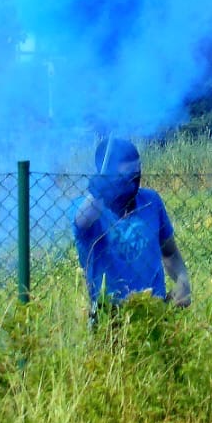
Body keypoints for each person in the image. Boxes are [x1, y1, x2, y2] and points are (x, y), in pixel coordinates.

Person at [74, 136, 191, 318]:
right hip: (109, 314)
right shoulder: (90, 209)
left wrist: (183, 281)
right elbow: (82, 221)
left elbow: (169, 252)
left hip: (155, 311)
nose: (134, 183)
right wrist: (98, 191)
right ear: (108, 177)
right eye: (127, 177)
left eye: (137, 174)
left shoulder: (151, 201)